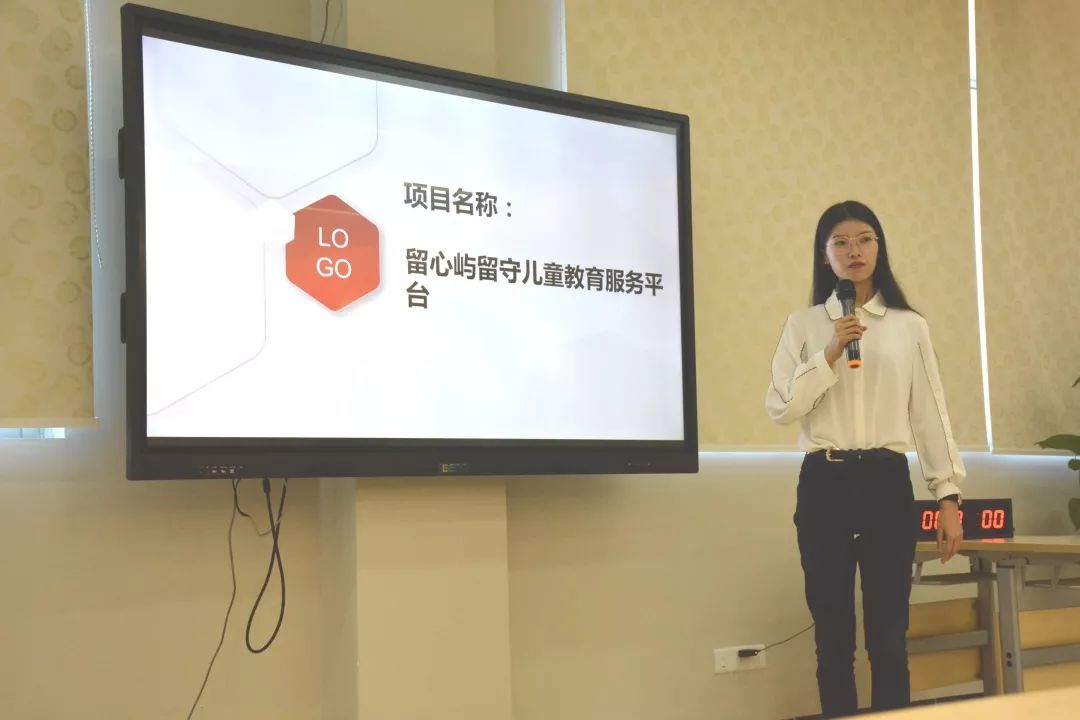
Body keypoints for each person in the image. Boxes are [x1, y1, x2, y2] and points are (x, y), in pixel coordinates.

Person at [765, 200, 965, 717]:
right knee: (832, 639)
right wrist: (829, 353)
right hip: (824, 482)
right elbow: (781, 407)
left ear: (879, 247)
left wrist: (947, 495)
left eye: (865, 239)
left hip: (885, 482)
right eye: (840, 242)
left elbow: (930, 412)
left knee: (889, 637)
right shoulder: (804, 325)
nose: (854, 250)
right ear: (824, 255)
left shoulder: (908, 325)